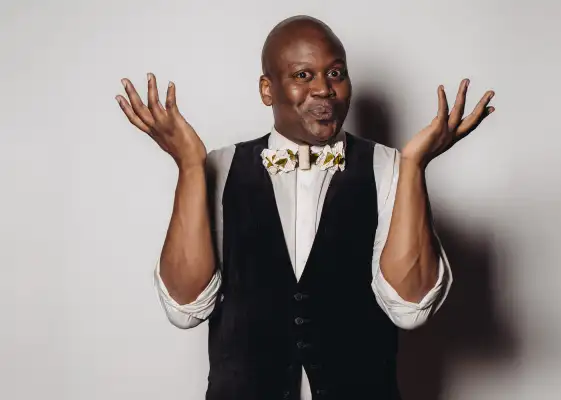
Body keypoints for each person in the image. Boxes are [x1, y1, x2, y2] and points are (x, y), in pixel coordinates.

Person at [115, 15, 495, 400]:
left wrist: (414, 166)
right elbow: (185, 308)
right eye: (303, 76)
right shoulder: (219, 167)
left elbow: (409, 309)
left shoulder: (390, 166)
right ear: (268, 88)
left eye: (335, 73)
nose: (324, 90)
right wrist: (189, 166)